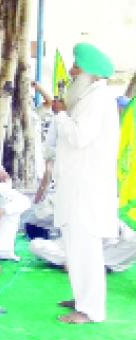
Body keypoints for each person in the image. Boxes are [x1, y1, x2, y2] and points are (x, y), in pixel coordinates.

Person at [50, 42, 120, 324]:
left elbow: (79, 137)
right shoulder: (88, 97)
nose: (70, 71)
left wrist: (61, 113)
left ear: (89, 72)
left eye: (76, 67)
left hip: (86, 191)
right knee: (74, 247)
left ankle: (91, 310)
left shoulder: (99, 99)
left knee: (85, 249)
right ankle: (82, 297)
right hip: (76, 187)